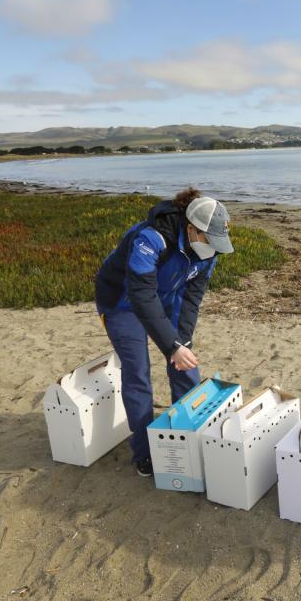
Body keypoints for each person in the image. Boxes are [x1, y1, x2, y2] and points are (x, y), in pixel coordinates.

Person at [95, 188, 234, 476]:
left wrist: (181, 343)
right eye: (209, 239)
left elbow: (191, 298)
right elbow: (141, 295)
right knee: (137, 372)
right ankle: (143, 453)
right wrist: (171, 345)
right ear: (192, 229)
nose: (213, 247)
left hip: (165, 295)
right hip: (123, 300)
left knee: (185, 362)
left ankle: (186, 434)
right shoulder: (151, 238)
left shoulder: (209, 250)